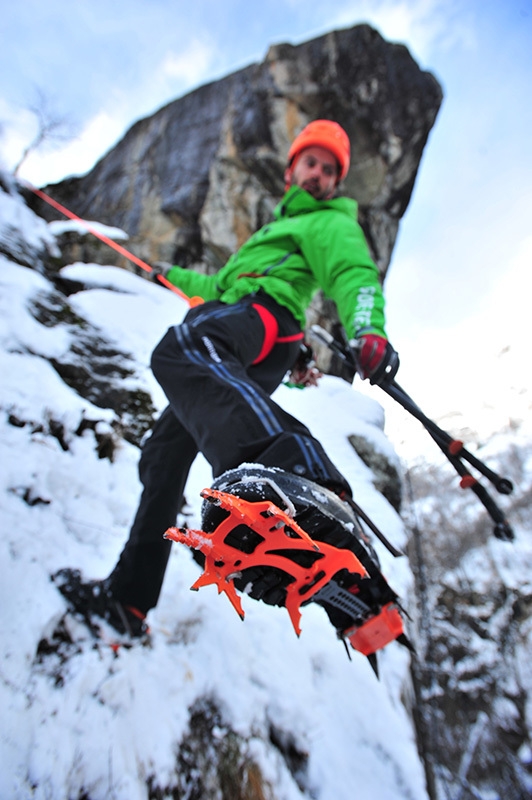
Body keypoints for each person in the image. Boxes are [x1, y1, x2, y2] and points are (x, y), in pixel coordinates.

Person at [54, 120, 399, 640]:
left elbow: (353, 274)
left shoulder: (329, 222)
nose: (321, 176)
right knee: (163, 455)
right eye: (313, 163)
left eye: (330, 171)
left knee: (183, 347)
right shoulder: (272, 234)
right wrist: (165, 274)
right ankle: (129, 600)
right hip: (245, 328)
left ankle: (301, 481)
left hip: (266, 322)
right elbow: (216, 286)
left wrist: (368, 328)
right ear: (292, 170)